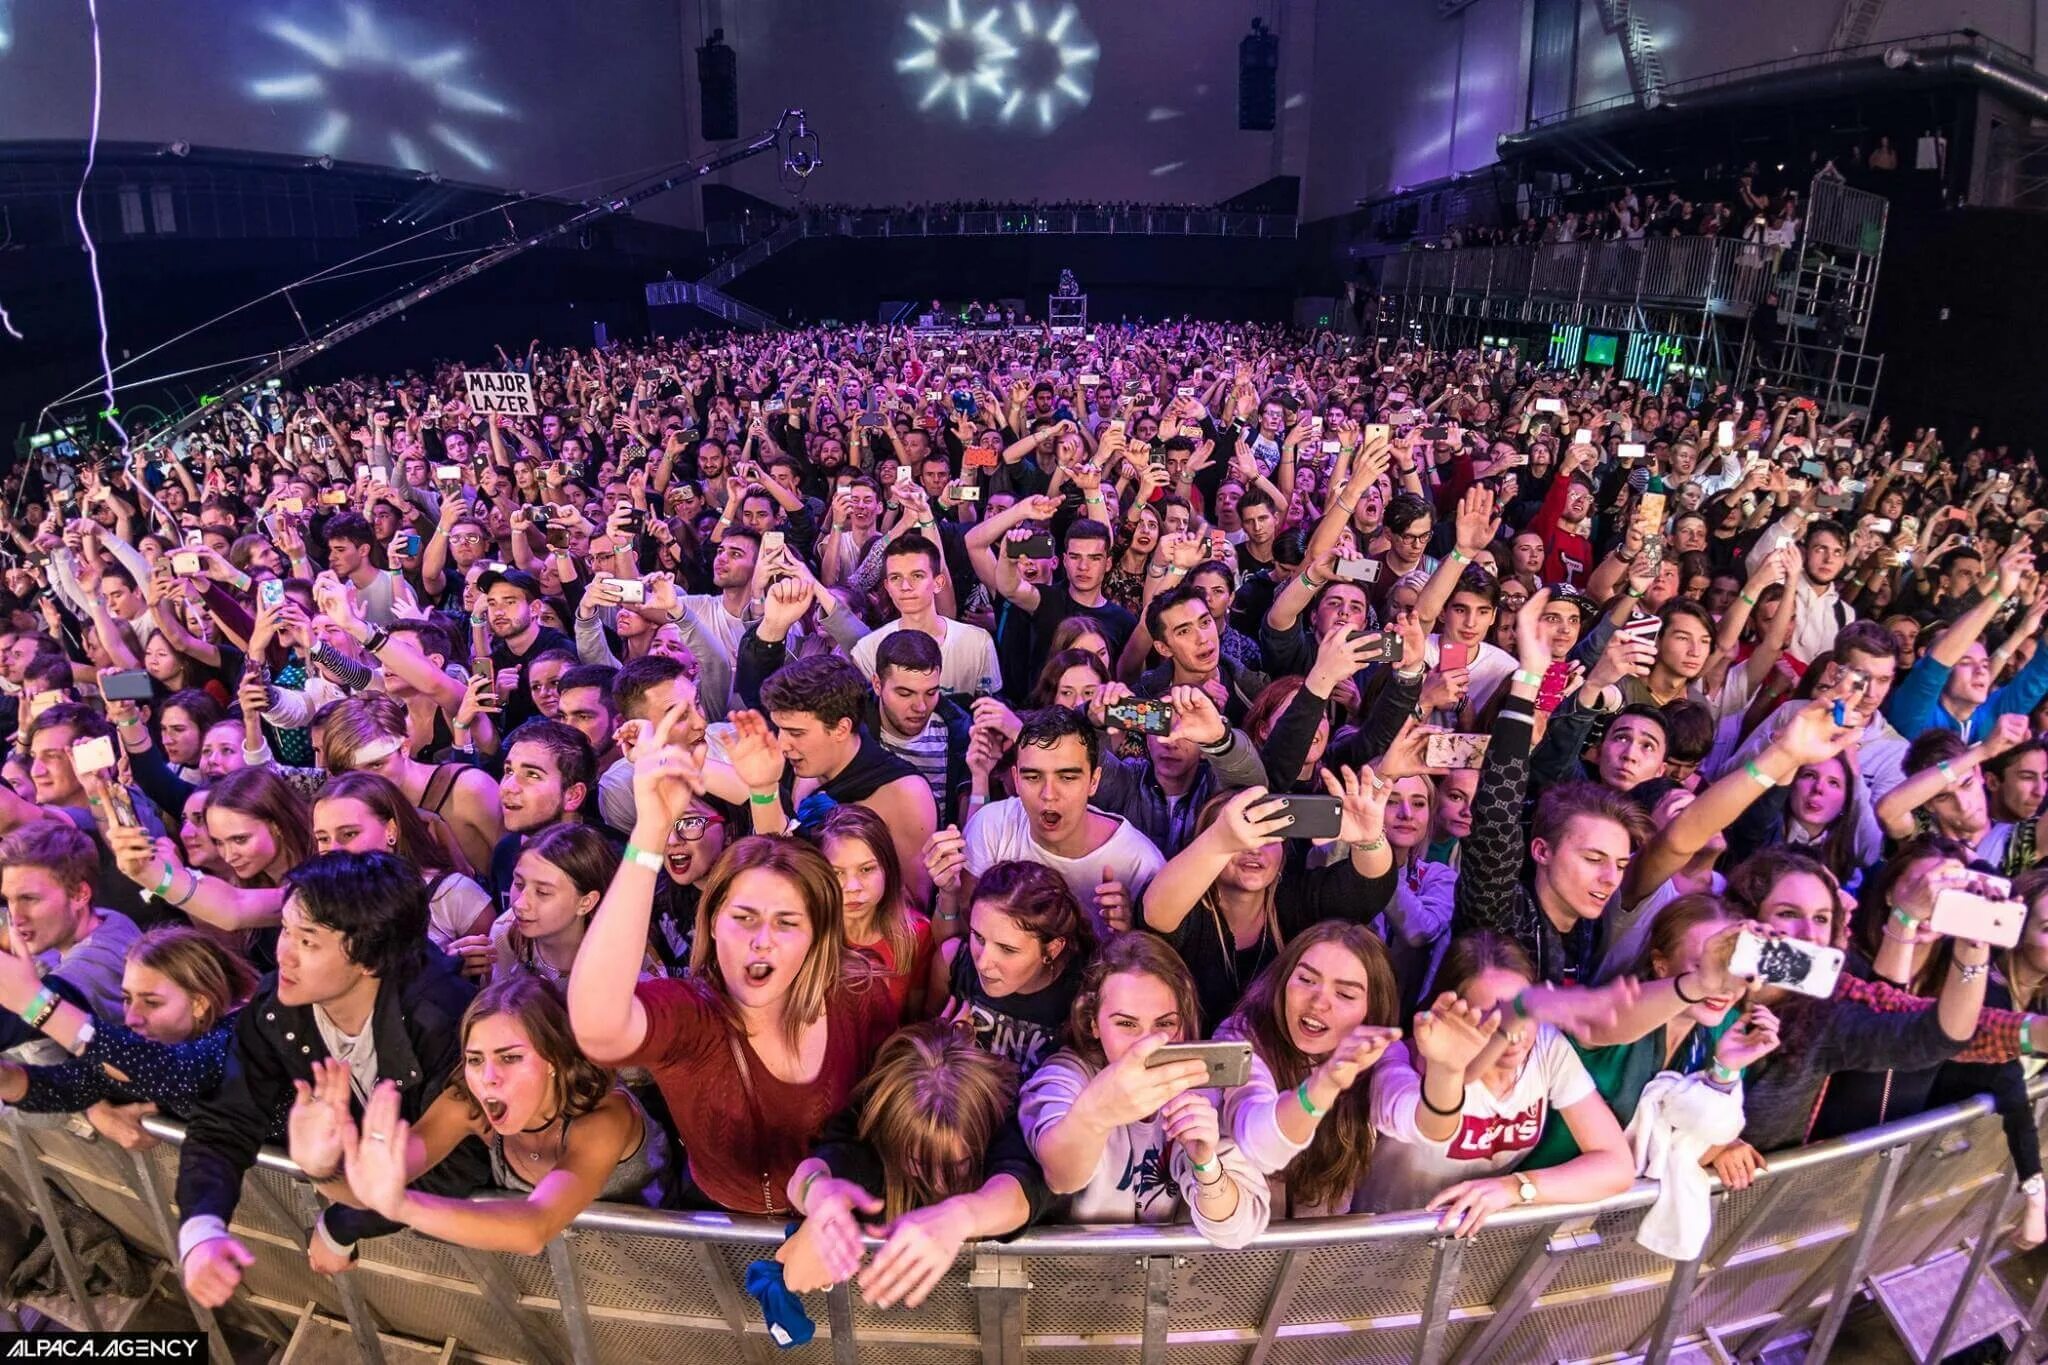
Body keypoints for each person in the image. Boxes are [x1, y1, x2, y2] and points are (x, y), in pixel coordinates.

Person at [567, 715, 896, 1215]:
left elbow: (873, 1114)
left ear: (817, 935)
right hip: (722, 1221)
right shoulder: (693, 1017)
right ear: (714, 922)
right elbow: (597, 1027)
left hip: (833, 1226)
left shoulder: (856, 990)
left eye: (787, 923)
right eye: (744, 918)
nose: (762, 941)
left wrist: (764, 794)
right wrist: (651, 831)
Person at [177, 852, 483, 1307]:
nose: (284, 954)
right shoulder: (276, 1007)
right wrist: (201, 1231)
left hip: (477, 1261)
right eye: (284, 929)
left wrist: (339, 1225)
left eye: (309, 941)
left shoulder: (443, 1017)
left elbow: (462, 1164)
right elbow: (226, 1121)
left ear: (370, 958)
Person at [290, 976, 672, 1256]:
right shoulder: (468, 1100)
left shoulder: (605, 1117)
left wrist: (401, 1205)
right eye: (475, 1060)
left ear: (555, 1058)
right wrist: (321, 1167)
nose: (488, 1078)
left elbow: (535, 1226)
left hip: (657, 1267)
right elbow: (372, 1187)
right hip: (562, 1270)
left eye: (510, 1058)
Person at [1359, 934, 1634, 1230]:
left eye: (1521, 1012)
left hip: (1472, 1242)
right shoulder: (1414, 1060)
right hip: (1383, 1239)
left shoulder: (1545, 1046)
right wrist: (1447, 1067)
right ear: (1452, 1013)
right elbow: (1432, 1123)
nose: (1512, 1031)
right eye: (1492, 1016)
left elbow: (1617, 1167)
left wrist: (1516, 1188)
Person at [1018, 933, 1271, 1247]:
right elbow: (1062, 1176)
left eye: (1164, 1024)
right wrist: (1096, 1113)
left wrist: (1206, 1163)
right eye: (1126, 1024)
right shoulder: (1066, 1077)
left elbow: (1237, 1230)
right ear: (1093, 1023)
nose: (1147, 1044)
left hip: (1167, 1280)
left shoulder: (1198, 1086)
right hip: (1077, 1280)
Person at [775, 1022, 1051, 1307]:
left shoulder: (1009, 1121)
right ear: (893, 1138)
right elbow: (811, 1173)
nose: (938, 1182)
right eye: (919, 1162)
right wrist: (820, 1197)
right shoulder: (869, 1137)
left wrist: (960, 1216)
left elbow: (1019, 1192)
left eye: (959, 1164)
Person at [1140, 775, 1396, 1029]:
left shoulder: (1294, 899)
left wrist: (1369, 842)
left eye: (1269, 836)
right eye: (1238, 839)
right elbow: (1156, 914)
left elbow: (1368, 890)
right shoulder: (1189, 902)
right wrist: (1219, 841)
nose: (1254, 849)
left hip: (1273, 1059)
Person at [0, 926, 258, 1145]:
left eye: (152, 1002)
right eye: (127, 999)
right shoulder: (148, 1044)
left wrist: (35, 1003)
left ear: (199, 1003)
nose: (132, 1016)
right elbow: (73, 1085)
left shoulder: (240, 1033)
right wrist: (6, 1079)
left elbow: (168, 1071)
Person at [1217, 923, 1405, 1218]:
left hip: (1318, 1252)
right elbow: (1259, 1142)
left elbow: (1420, 1121)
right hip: (1236, 1250)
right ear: (1284, 979)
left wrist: (1450, 1071)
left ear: (1372, 1009)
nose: (1319, 1003)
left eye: (1344, 994)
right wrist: (1326, 1083)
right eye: (1306, 979)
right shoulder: (1239, 1038)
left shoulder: (1381, 1050)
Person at [732, 655, 939, 906]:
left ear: (841, 729)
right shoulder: (796, 762)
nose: (783, 744)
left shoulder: (905, 794)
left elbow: (914, 905)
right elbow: (775, 856)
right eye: (780, 730)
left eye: (796, 733)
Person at [942, 706, 1165, 931]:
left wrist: (1128, 937)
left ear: (1094, 781)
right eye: (1033, 776)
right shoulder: (991, 826)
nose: (1048, 794)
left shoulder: (1140, 863)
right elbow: (958, 940)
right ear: (1016, 780)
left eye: (1067, 777)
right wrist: (947, 892)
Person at [924, 860, 1096, 1073]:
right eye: (978, 937)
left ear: (1052, 949)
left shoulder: (1080, 994)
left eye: (1007, 949)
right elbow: (918, 1038)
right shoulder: (953, 961)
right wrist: (943, 1052)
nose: (983, 964)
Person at [0, 821, 146, 1061]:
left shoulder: (95, 964)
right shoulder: (108, 919)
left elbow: (10, 1025)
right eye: (9, 900)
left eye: (29, 899)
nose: (16, 917)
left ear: (80, 894)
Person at [311, 771, 494, 950]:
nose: (334, 850)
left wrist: (448, 972)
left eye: (349, 834)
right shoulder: (313, 901)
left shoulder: (454, 894)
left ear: (391, 830)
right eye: (323, 838)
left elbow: (497, 975)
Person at [817, 805, 934, 1024]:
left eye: (866, 869)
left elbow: (912, 1020)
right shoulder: (810, 935)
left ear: (888, 868)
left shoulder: (916, 934)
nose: (852, 887)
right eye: (837, 873)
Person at [850, 534, 1002, 695]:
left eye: (917, 576)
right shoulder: (867, 650)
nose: (905, 586)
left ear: (938, 583)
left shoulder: (977, 642)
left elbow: (989, 709)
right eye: (896, 577)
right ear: (887, 586)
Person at [491, 824, 635, 985]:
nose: (519, 904)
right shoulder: (505, 934)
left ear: (586, 903)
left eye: (543, 892)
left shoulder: (625, 955)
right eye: (518, 884)